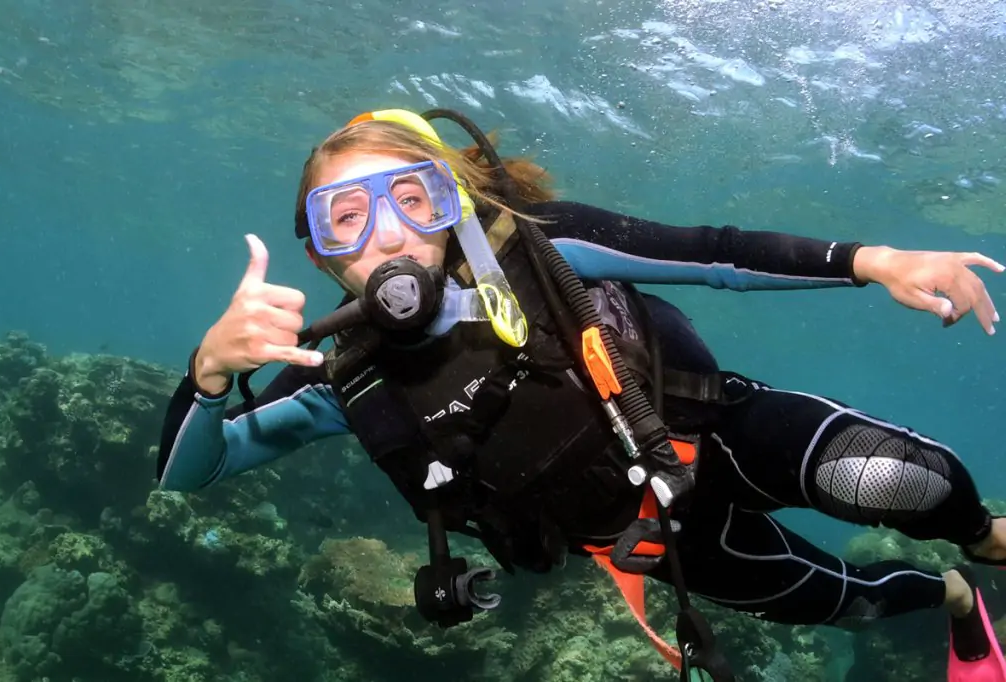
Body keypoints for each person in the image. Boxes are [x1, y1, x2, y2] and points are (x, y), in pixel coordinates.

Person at [157, 107, 1006, 681]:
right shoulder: (345, 377)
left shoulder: (537, 249)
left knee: (902, 478)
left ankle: (983, 537)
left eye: (410, 199)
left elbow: (714, 252)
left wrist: (874, 261)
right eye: (346, 215)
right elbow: (190, 473)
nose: (385, 233)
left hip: (723, 430)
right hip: (651, 544)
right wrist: (209, 373)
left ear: (452, 204)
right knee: (851, 606)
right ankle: (958, 599)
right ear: (320, 254)